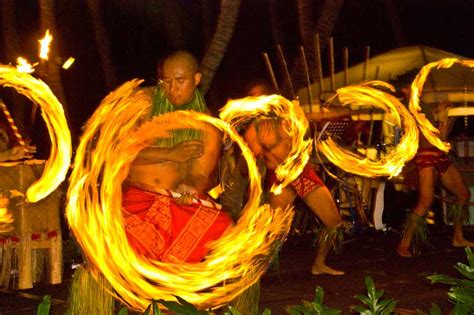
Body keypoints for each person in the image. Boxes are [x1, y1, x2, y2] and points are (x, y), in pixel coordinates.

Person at [121, 51, 232, 263]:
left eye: (180, 81)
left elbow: (200, 173)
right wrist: (171, 153)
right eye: (167, 81)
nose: (172, 89)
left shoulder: (207, 125)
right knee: (121, 243)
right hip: (137, 199)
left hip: (178, 201)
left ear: (196, 79)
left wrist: (188, 186)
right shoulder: (143, 105)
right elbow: (120, 153)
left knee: (229, 236)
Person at [241, 81, 345, 275]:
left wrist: (328, 114)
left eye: (259, 96)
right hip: (280, 179)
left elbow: (308, 119)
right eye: (252, 98)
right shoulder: (253, 131)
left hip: (302, 173)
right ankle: (253, 271)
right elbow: (250, 164)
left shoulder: (288, 117)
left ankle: (319, 264)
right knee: (271, 231)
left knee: (334, 222)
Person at [395, 81, 473, 257]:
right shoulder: (411, 107)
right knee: (425, 201)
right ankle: (404, 244)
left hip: (437, 155)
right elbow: (438, 135)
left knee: (463, 194)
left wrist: (441, 113)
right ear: (406, 88)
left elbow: (435, 129)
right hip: (427, 156)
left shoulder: (417, 104)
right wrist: (443, 119)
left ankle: (458, 237)